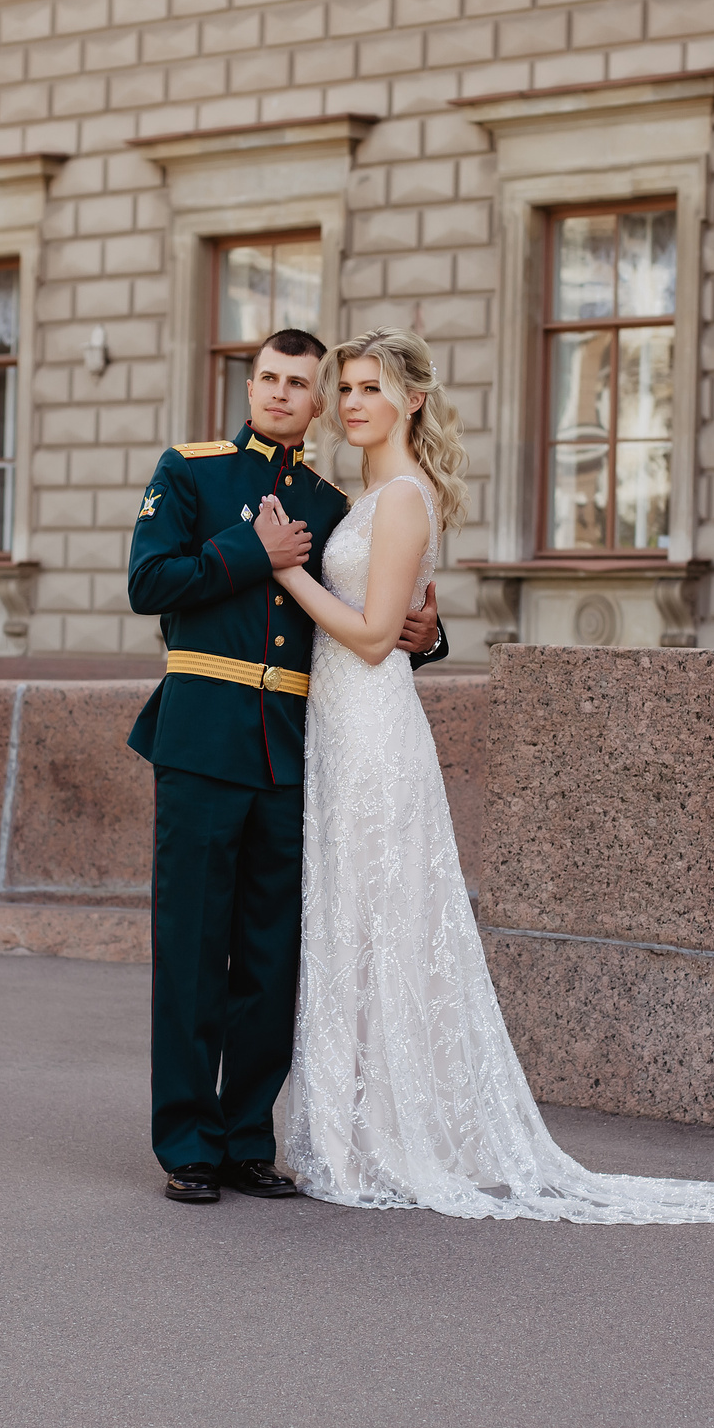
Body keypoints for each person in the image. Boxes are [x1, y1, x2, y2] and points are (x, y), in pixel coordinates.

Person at [263, 329, 714, 1224]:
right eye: (346, 388)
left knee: (378, 917)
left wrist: (287, 566)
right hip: (335, 730)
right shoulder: (367, 496)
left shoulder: (403, 499)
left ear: (411, 399)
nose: (350, 403)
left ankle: (376, 1138)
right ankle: (344, 1130)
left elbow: (375, 638)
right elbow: (398, 623)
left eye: (369, 387)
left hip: (373, 732)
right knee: (345, 921)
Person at [125, 328, 447, 1206]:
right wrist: (249, 554)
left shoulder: (332, 501)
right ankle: (189, 1143)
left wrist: (430, 635)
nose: (280, 393)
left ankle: (245, 1137)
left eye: (300, 383)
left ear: (315, 404)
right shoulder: (189, 471)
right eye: (268, 376)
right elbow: (148, 583)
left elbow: (363, 617)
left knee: (271, 958)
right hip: (201, 739)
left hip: (292, 747)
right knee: (193, 950)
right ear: (252, 385)